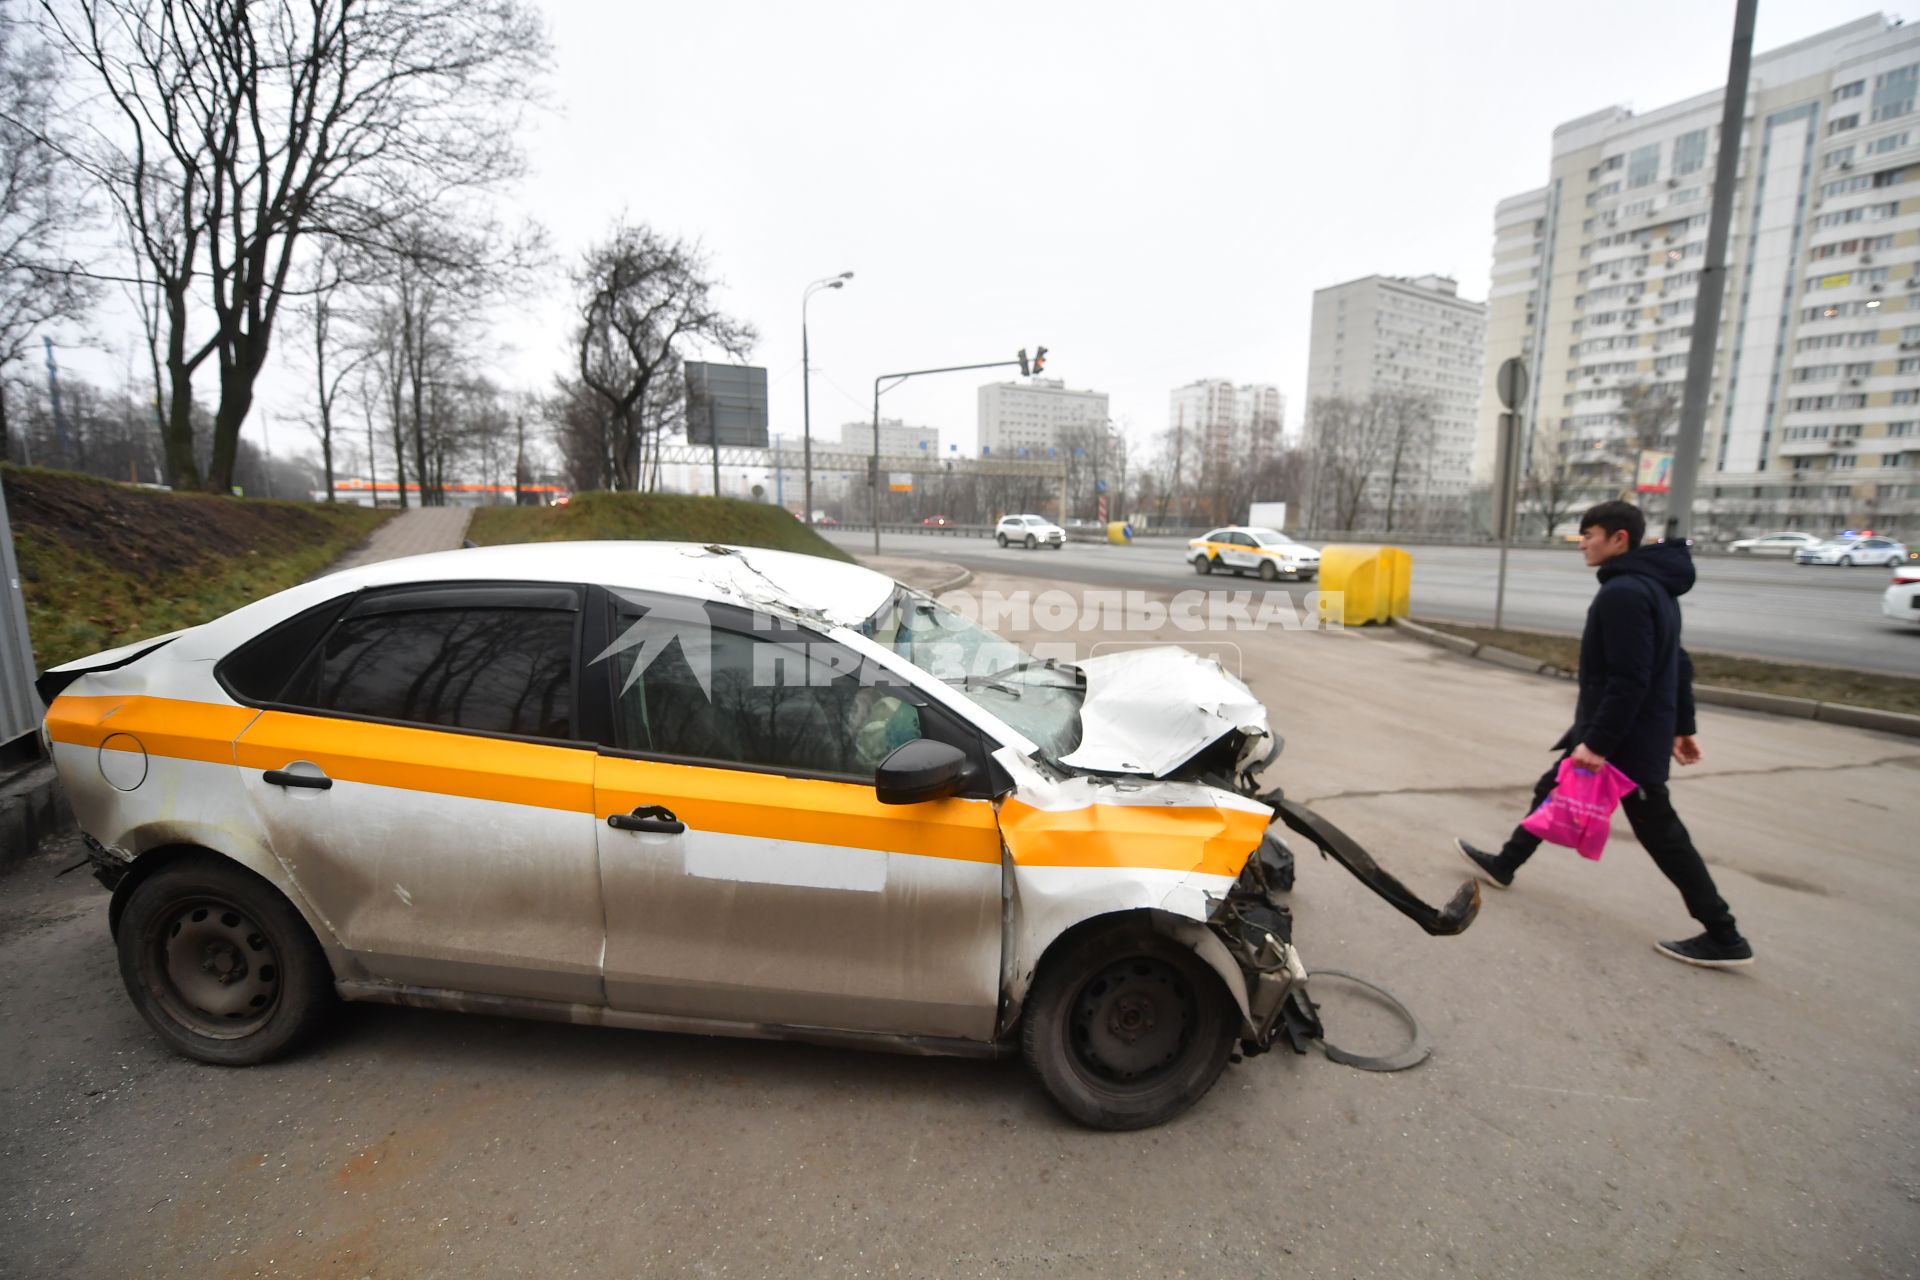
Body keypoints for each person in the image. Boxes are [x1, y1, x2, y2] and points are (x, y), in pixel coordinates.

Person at [1454, 500, 1753, 968]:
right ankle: (1506, 863)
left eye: (1591, 534)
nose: (1584, 544)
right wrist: (1683, 727)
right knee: (1553, 787)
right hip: (1631, 730)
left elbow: (1629, 679)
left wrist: (1598, 743)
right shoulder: (1654, 588)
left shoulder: (1625, 593)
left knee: (1662, 835)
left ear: (1620, 539)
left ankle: (1724, 933)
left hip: (1625, 740)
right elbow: (1677, 663)